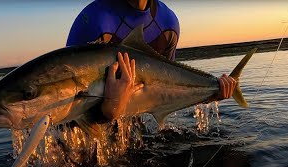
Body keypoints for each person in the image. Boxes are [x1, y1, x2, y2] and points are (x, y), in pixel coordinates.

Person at [66, 0, 236, 120]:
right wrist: (110, 109)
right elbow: (69, 108)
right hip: (89, 129)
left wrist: (212, 92)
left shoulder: (168, 23)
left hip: (132, 123)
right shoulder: (93, 21)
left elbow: (167, 86)